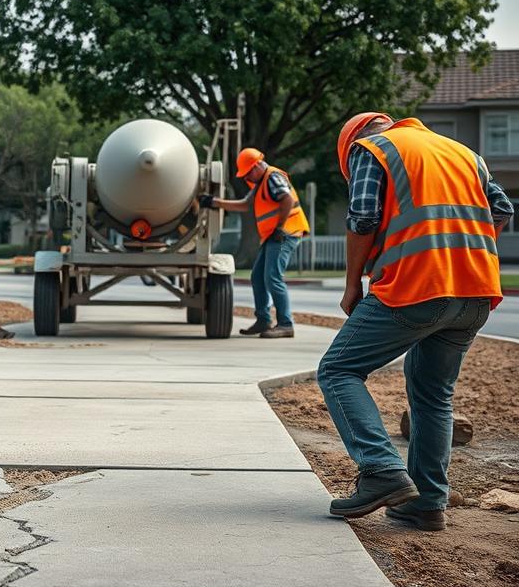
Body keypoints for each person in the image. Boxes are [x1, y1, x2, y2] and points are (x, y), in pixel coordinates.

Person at [318, 112, 513, 531]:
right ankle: (427, 503)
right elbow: (502, 210)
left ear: (352, 144)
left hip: (418, 285)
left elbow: (363, 219)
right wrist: (463, 255)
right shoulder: (465, 154)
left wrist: (353, 283)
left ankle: (382, 471)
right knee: (432, 395)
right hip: (476, 292)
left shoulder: (371, 149)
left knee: (338, 370)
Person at [198, 147, 310, 338]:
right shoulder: (260, 183)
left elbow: (287, 200)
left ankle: (285, 324)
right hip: (274, 235)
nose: (247, 178)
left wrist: (280, 227)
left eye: (248, 173)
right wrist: (214, 202)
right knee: (258, 277)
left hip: (285, 233)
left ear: (257, 165)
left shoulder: (272, 177)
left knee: (272, 277)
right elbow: (244, 204)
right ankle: (263, 320)